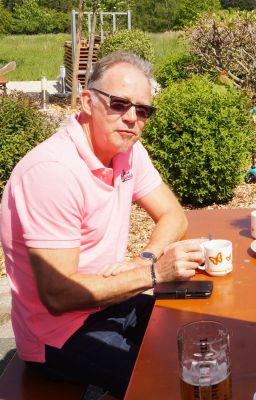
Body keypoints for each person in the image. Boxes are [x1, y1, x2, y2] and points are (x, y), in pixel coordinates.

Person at [0, 51, 204, 397]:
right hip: (58, 334)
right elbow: (58, 295)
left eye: (143, 110)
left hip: (108, 303)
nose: (132, 118)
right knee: (171, 383)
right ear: (87, 101)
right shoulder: (53, 172)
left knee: (198, 329)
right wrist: (154, 274)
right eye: (119, 104)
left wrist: (145, 259)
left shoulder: (128, 152)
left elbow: (174, 215)